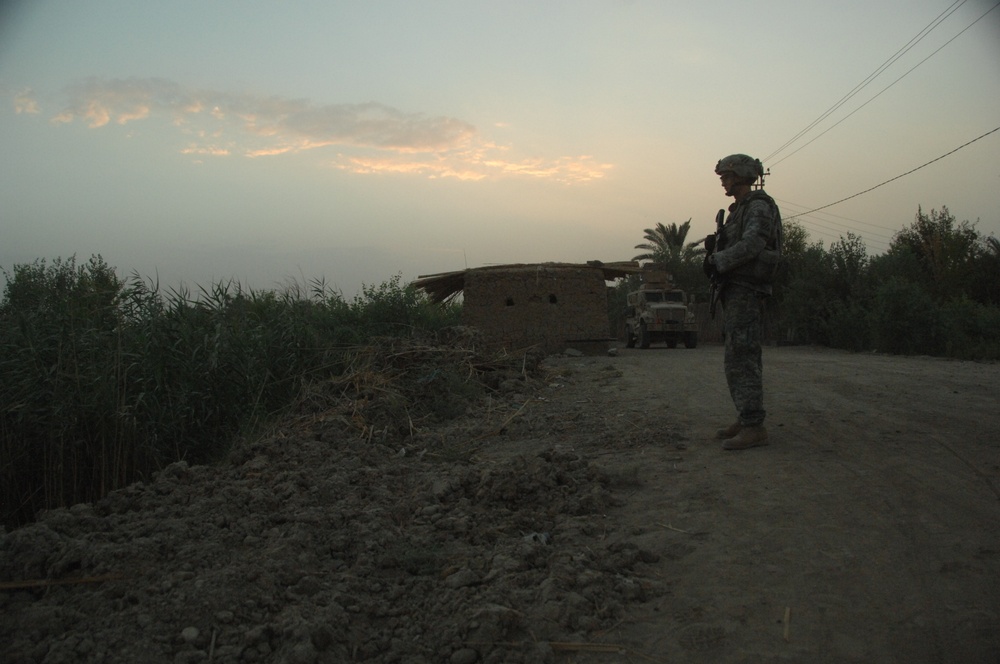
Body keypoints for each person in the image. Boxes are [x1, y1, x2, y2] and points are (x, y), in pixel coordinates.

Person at [704, 154, 782, 450]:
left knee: (744, 356)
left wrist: (718, 260)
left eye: (726, 175)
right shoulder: (740, 210)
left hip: (747, 289)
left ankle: (754, 426)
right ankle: (745, 416)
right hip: (736, 288)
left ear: (740, 175)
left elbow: (753, 244)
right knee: (735, 358)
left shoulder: (759, 206)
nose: (723, 180)